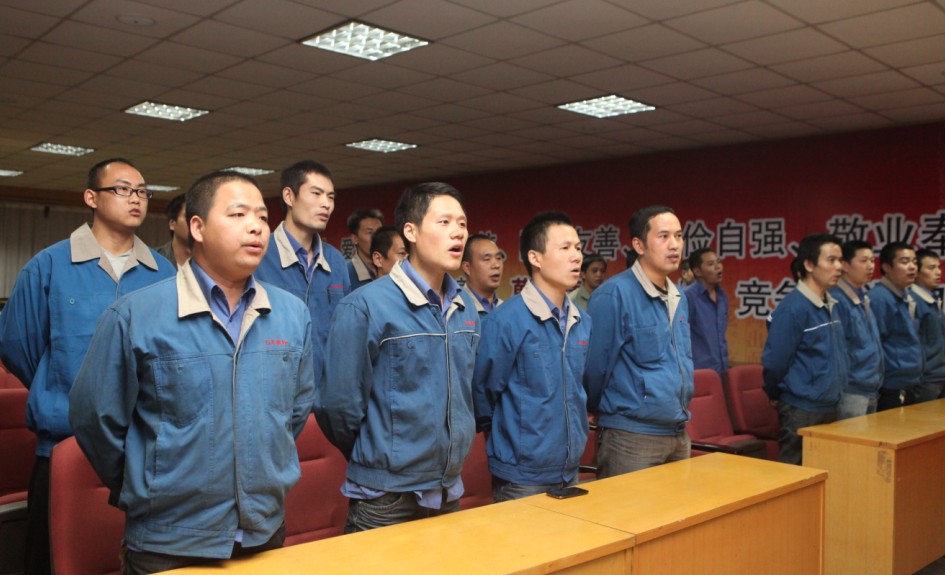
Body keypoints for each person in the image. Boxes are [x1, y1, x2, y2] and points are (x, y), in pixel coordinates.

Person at [69, 171, 315, 575]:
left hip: (263, 530)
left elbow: (294, 412)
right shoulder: (136, 315)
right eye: (238, 214)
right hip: (168, 540)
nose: (256, 226)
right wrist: (147, 484)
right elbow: (95, 418)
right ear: (197, 228)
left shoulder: (291, 314)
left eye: (262, 216)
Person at [0, 158, 175, 575]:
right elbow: (17, 344)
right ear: (91, 198)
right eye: (123, 189)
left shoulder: (164, 273)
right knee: (53, 561)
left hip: (144, 450)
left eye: (142, 191)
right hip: (65, 444)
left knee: (134, 559)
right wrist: (59, 385)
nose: (135, 198)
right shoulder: (49, 265)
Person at [317, 182, 480, 533]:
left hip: (447, 488)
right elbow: (337, 406)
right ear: (411, 231)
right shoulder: (366, 305)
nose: (457, 233)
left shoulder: (465, 307)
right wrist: (377, 452)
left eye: (462, 224)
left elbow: (468, 392)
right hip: (385, 499)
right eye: (444, 222)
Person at [473, 211, 590, 502]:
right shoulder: (506, 320)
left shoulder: (582, 320)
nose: (576, 256)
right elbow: (483, 391)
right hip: (521, 475)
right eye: (565, 248)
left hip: (568, 468)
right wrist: (513, 439)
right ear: (535, 258)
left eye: (578, 248)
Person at [584, 205, 693, 477]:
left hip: (677, 431)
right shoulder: (614, 294)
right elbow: (595, 368)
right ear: (639, 245)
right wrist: (600, 409)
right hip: (631, 436)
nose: (674, 245)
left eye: (679, 236)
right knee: (627, 506)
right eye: (664, 236)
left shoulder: (679, 296)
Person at [255, 160, 351, 389]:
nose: (326, 204)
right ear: (289, 196)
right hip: (273, 388)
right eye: (316, 194)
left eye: (330, 197)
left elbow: (345, 333)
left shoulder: (336, 260)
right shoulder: (259, 254)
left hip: (326, 391)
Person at [762, 233, 847, 465]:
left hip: (831, 403)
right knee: (795, 473)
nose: (839, 267)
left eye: (840, 260)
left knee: (825, 471)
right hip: (802, 408)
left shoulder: (831, 303)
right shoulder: (793, 308)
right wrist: (774, 393)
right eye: (831, 260)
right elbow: (775, 362)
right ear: (809, 265)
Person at [829, 240, 883, 419]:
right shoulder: (837, 299)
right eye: (864, 261)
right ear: (845, 265)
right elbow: (837, 350)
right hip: (851, 390)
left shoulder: (862, 296)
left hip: (871, 387)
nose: (870, 266)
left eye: (872, 260)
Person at [870, 241, 921, 411]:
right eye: (904, 262)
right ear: (886, 267)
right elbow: (876, 344)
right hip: (891, 385)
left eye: (914, 262)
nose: (912, 267)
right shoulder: (879, 297)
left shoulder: (906, 295)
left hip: (908, 381)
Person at [685, 248, 729, 376]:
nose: (718, 267)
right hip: (698, 372)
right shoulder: (688, 297)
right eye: (710, 264)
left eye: (718, 262)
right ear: (697, 271)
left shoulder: (722, 296)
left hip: (721, 369)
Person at [911, 248, 945, 402]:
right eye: (931, 268)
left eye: (939, 267)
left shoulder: (933, 299)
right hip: (925, 379)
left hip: (939, 375)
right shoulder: (912, 300)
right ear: (916, 272)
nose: (938, 272)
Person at [461, 233, 504, 315]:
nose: (496, 265)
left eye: (498, 258)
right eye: (487, 259)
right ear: (467, 267)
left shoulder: (507, 309)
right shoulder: (456, 307)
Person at [346, 208, 384, 289]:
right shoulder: (345, 272)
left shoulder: (391, 268)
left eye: (380, 231)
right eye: (370, 232)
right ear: (355, 239)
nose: (377, 237)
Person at [155, 193, 190, 267]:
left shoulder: (212, 261)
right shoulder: (153, 259)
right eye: (188, 217)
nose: (194, 223)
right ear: (172, 224)